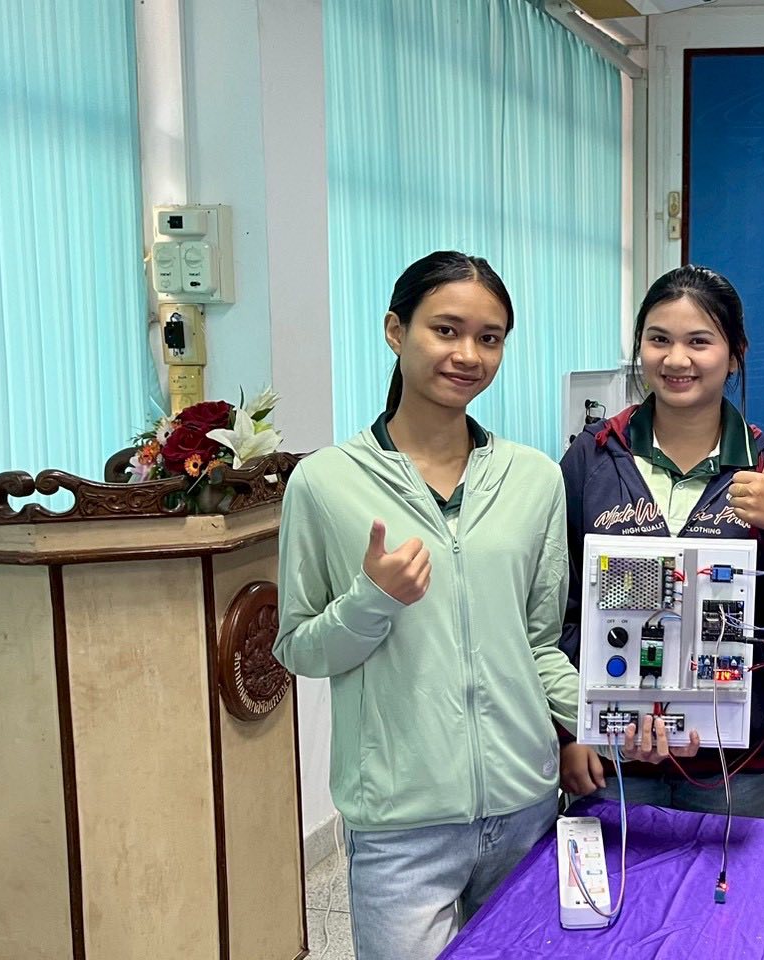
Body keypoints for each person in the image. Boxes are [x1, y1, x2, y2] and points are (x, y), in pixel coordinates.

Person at [273, 251, 681, 960]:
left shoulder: (532, 479)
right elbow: (300, 647)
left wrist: (605, 720)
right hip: (401, 825)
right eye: (446, 330)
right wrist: (372, 600)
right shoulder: (325, 483)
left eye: (489, 338)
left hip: (525, 807)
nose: (468, 354)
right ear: (395, 331)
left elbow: (538, 643)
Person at [558, 265, 764, 816]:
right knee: (617, 875)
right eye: (659, 339)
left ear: (735, 354)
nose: (676, 360)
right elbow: (558, 606)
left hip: (729, 760)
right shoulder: (593, 456)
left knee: (724, 875)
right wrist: (568, 728)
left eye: (699, 342)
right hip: (611, 750)